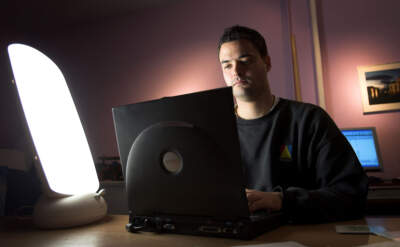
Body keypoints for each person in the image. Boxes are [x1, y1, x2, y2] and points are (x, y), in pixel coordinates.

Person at [218, 25, 368, 223]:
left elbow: (351, 195)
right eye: (227, 65)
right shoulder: (218, 131)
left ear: (267, 62)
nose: (236, 71)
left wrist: (282, 200)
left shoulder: (310, 120)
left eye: (245, 60)